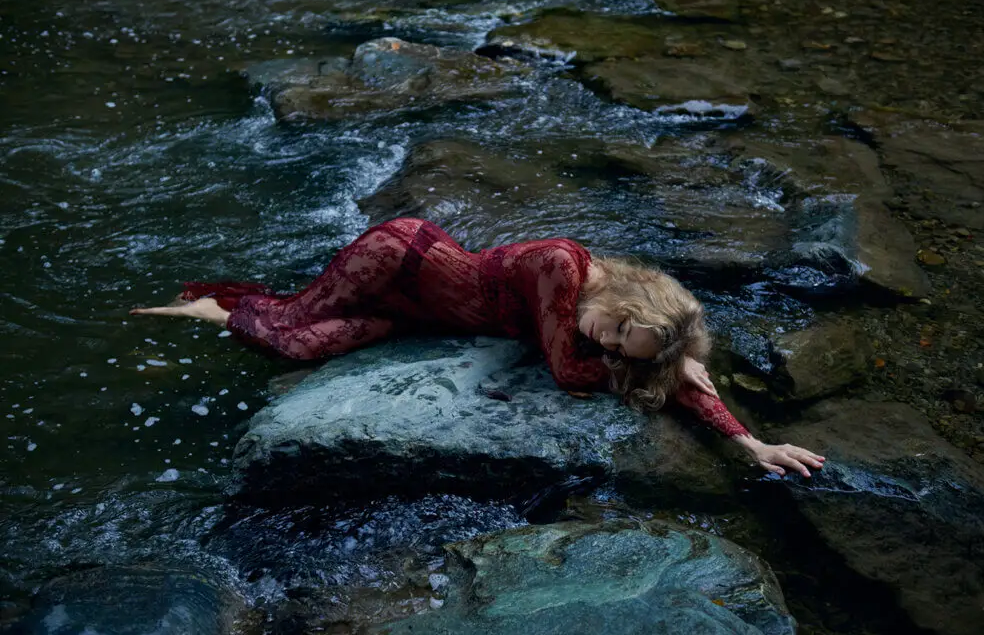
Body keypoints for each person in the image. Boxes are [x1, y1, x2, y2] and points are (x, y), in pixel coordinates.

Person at [132, 218, 824, 478]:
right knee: (288, 335)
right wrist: (655, 375)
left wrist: (751, 443)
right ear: (626, 298)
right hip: (398, 260)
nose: (608, 343)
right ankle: (201, 306)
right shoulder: (562, 268)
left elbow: (651, 375)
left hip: (424, 317)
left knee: (324, 343)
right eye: (618, 330)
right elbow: (567, 371)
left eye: (625, 348)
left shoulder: (609, 319)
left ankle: (217, 309)